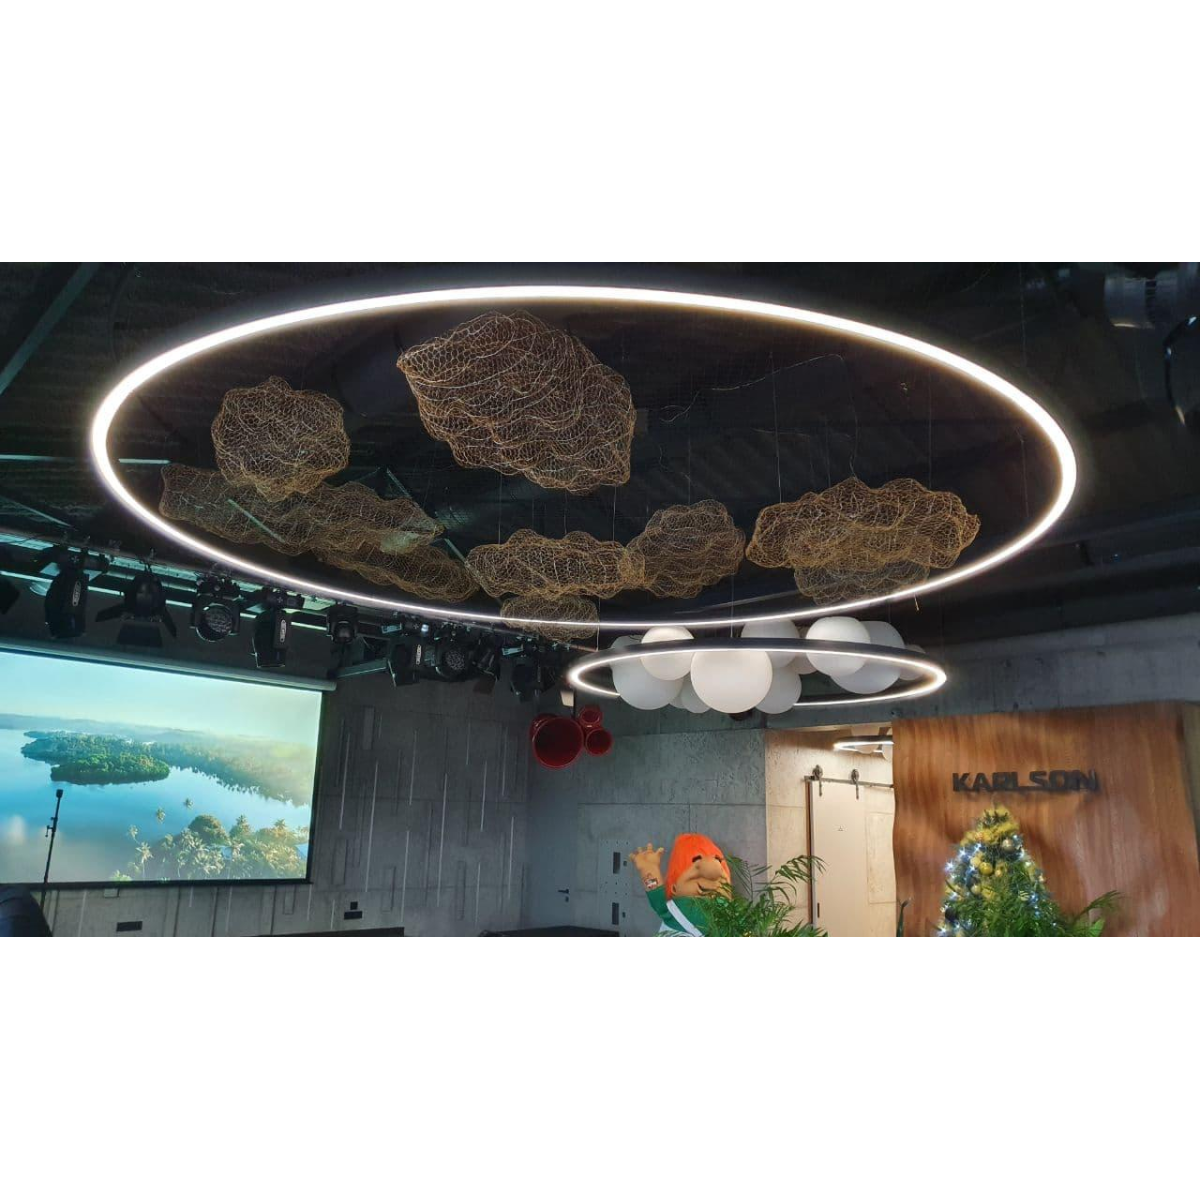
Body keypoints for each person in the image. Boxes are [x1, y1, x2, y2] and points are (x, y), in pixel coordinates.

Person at [629, 834, 731, 936]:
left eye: (718, 860)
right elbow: (657, 897)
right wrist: (649, 870)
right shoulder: (675, 908)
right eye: (696, 860)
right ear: (674, 888)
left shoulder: (727, 909)